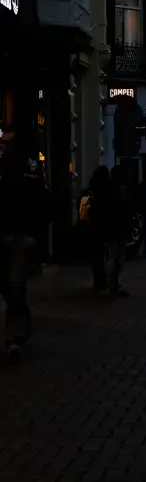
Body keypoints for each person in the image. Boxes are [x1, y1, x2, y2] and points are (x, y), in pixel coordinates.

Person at [0, 136, 51, 365]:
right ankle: (17, 333)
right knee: (14, 286)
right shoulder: (32, 170)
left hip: (11, 235)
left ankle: (14, 337)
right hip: (20, 235)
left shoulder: (12, 172)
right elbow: (42, 201)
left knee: (12, 286)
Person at [91, 165, 131, 297]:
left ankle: (112, 284)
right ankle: (112, 285)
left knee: (113, 257)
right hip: (114, 230)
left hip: (111, 230)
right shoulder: (111, 190)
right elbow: (118, 210)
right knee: (115, 258)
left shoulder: (102, 190)